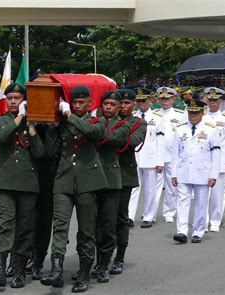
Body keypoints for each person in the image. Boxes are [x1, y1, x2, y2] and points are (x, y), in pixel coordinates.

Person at [41, 86, 108, 293]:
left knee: (86, 230)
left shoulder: (98, 120)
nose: (77, 106)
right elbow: (51, 151)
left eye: (81, 103)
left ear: (89, 103)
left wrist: (69, 115)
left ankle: (85, 273)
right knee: (59, 226)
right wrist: (52, 127)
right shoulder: (63, 123)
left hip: (88, 180)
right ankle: (57, 271)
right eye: (74, 103)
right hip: (63, 179)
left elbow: (92, 133)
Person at [0, 83, 45, 288]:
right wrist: (19, 118)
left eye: (17, 98)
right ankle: (1, 271)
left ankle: (20, 271)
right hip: (4, 183)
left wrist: (31, 127)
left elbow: (40, 153)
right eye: (10, 97)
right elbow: (1, 137)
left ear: (24, 100)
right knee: (5, 225)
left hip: (28, 183)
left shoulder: (34, 124)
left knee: (24, 228)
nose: (13, 101)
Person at [93, 90, 131, 283]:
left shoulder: (125, 124)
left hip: (112, 180)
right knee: (93, 225)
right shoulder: (94, 119)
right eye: (105, 103)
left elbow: (114, 138)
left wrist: (98, 123)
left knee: (110, 224)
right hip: (91, 178)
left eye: (113, 104)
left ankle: (105, 264)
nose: (108, 107)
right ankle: (95, 261)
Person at [171, 99, 220, 244]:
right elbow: (175, 153)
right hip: (184, 171)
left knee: (201, 203)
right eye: (190, 112)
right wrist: (174, 173)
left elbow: (216, 154)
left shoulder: (211, 129)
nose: (193, 115)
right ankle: (182, 231)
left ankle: (198, 231)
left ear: (202, 113)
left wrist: (213, 174)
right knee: (182, 202)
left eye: (196, 112)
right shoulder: (180, 129)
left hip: (203, 172)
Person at [110, 89, 147, 274]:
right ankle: (103, 256)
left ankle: (119, 257)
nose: (123, 106)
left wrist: (108, 133)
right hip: (105, 173)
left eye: (126, 103)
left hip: (124, 174)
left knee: (121, 218)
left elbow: (131, 142)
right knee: (102, 218)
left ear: (134, 104)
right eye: (120, 103)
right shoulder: (108, 118)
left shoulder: (139, 123)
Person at [128, 89, 164, 228]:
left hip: (151, 158)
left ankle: (149, 216)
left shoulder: (157, 118)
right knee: (133, 188)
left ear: (150, 100)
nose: (141, 103)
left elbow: (160, 141)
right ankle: (129, 216)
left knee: (150, 189)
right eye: (139, 101)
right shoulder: (132, 117)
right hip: (135, 157)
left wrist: (160, 161)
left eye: (144, 100)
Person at [29, 123, 60, 280]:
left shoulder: (55, 127)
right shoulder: (24, 123)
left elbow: (49, 151)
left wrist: (51, 128)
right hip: (27, 179)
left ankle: (37, 261)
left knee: (43, 223)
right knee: (24, 222)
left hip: (47, 179)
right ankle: (19, 260)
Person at [203, 89, 225, 231]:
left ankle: (215, 221)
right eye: (210, 100)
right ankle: (202, 221)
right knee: (202, 194)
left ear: (220, 101)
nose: (212, 103)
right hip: (203, 161)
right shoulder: (201, 118)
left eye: (215, 100)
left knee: (217, 195)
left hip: (220, 161)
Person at [154, 87, 186, 224]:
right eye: (162, 99)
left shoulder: (180, 114)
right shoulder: (154, 113)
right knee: (154, 186)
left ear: (173, 99)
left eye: (167, 99)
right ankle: (151, 212)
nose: (165, 101)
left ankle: (169, 212)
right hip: (156, 154)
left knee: (172, 185)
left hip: (173, 154)